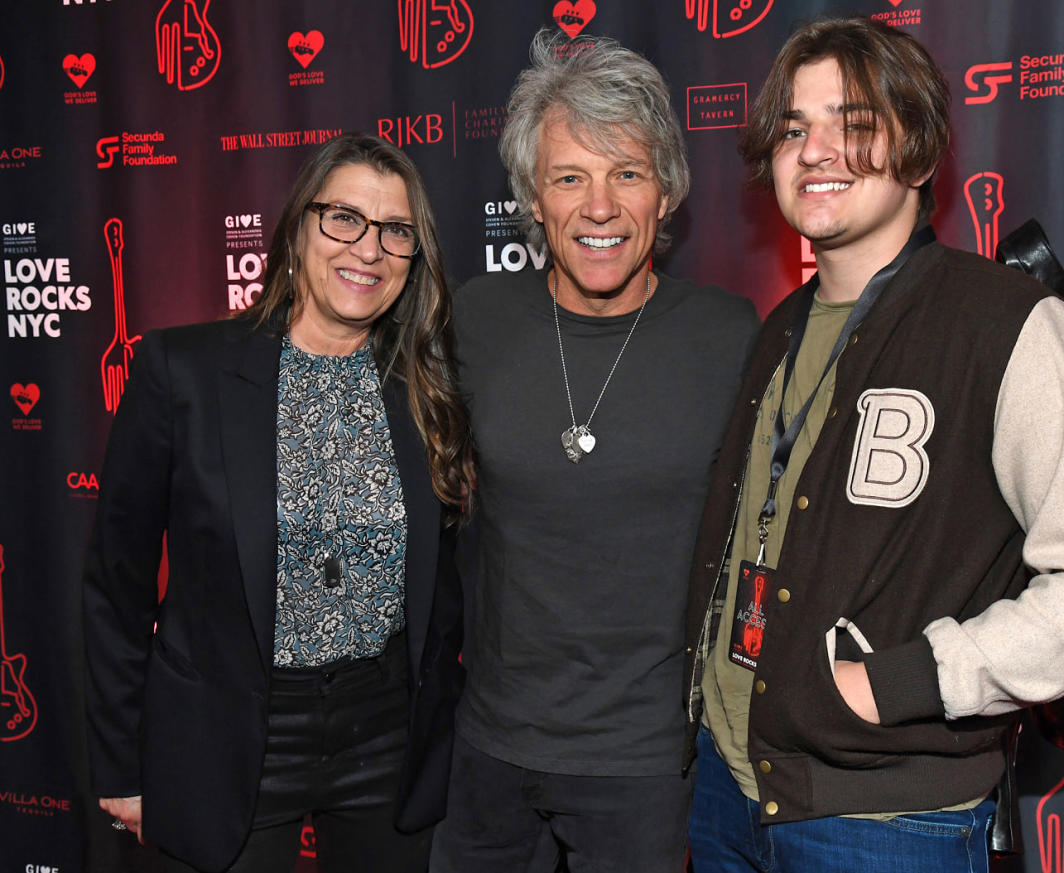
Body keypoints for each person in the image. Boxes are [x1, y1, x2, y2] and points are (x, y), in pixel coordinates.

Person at [682, 16, 1064, 873]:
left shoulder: (1010, 323)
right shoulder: (779, 328)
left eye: (854, 123)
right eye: (795, 127)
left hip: (889, 819)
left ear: (920, 148)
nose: (816, 148)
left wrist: (902, 680)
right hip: (727, 785)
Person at [83, 133, 471, 873]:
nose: (370, 248)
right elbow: (115, 587)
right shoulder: (182, 372)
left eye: (396, 232)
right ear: (297, 229)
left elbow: (452, 581)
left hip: (384, 736)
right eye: (344, 218)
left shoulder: (426, 387)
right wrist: (123, 767)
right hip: (227, 738)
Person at [429, 30, 758, 873]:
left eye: (627, 174)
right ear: (532, 199)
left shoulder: (728, 335)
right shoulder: (477, 320)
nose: (599, 206)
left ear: (668, 192)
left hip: (645, 762)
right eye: (569, 177)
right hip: (490, 747)